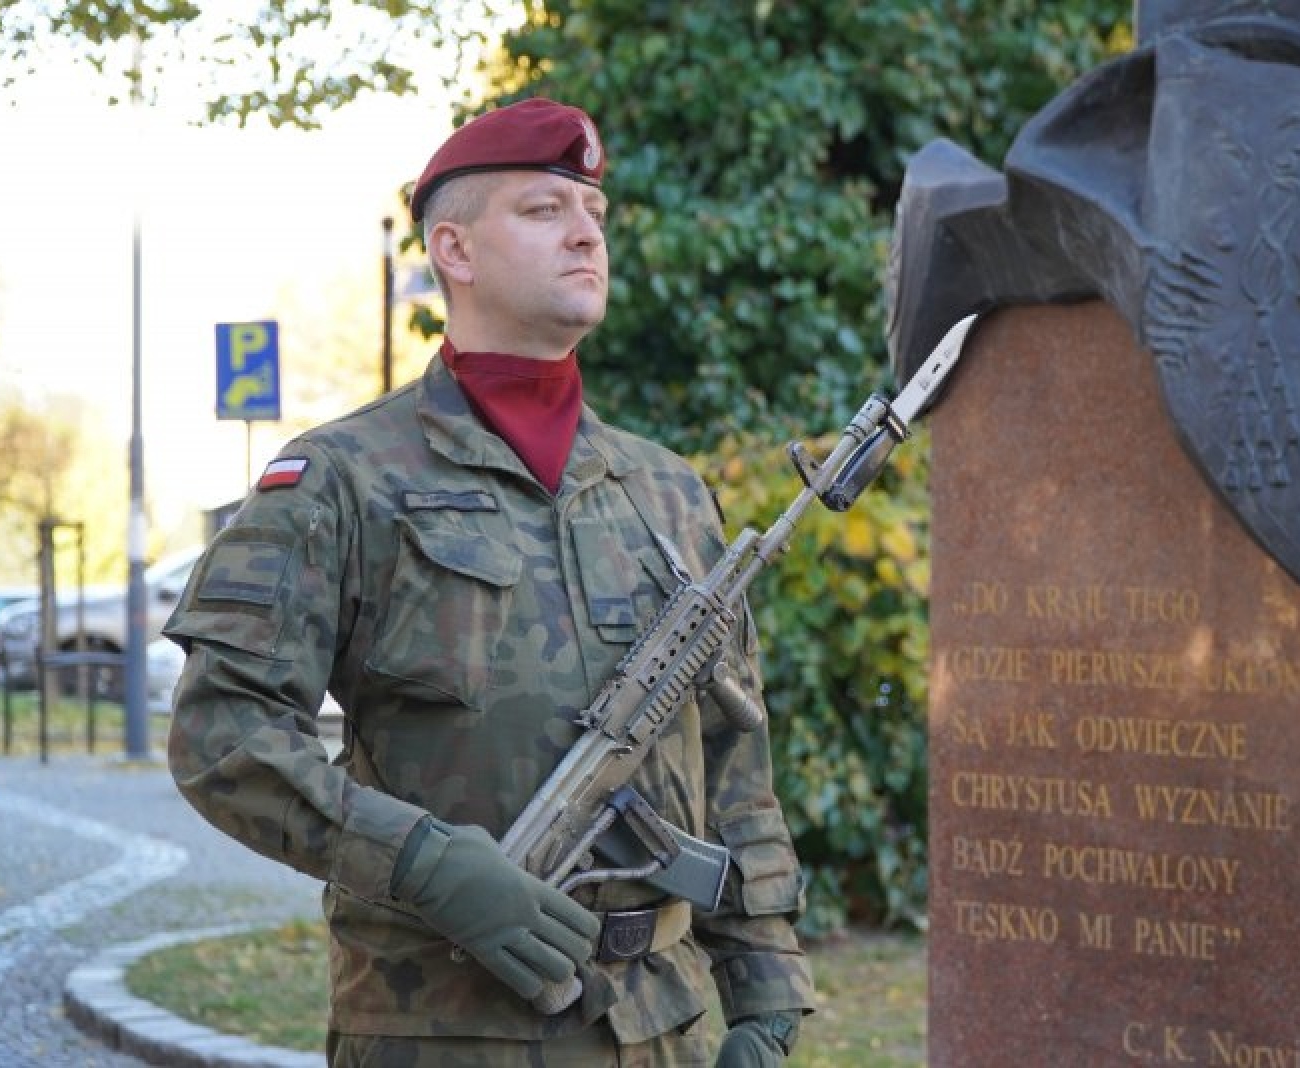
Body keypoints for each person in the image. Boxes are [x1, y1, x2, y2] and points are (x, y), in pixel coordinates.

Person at [164, 96, 815, 1067]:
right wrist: (424, 864)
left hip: (659, 1030)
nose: (585, 233)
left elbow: (732, 758)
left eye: (592, 213)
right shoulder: (343, 480)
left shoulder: (668, 494)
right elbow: (224, 737)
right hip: (439, 1033)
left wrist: (764, 986)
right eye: (544, 210)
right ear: (455, 252)